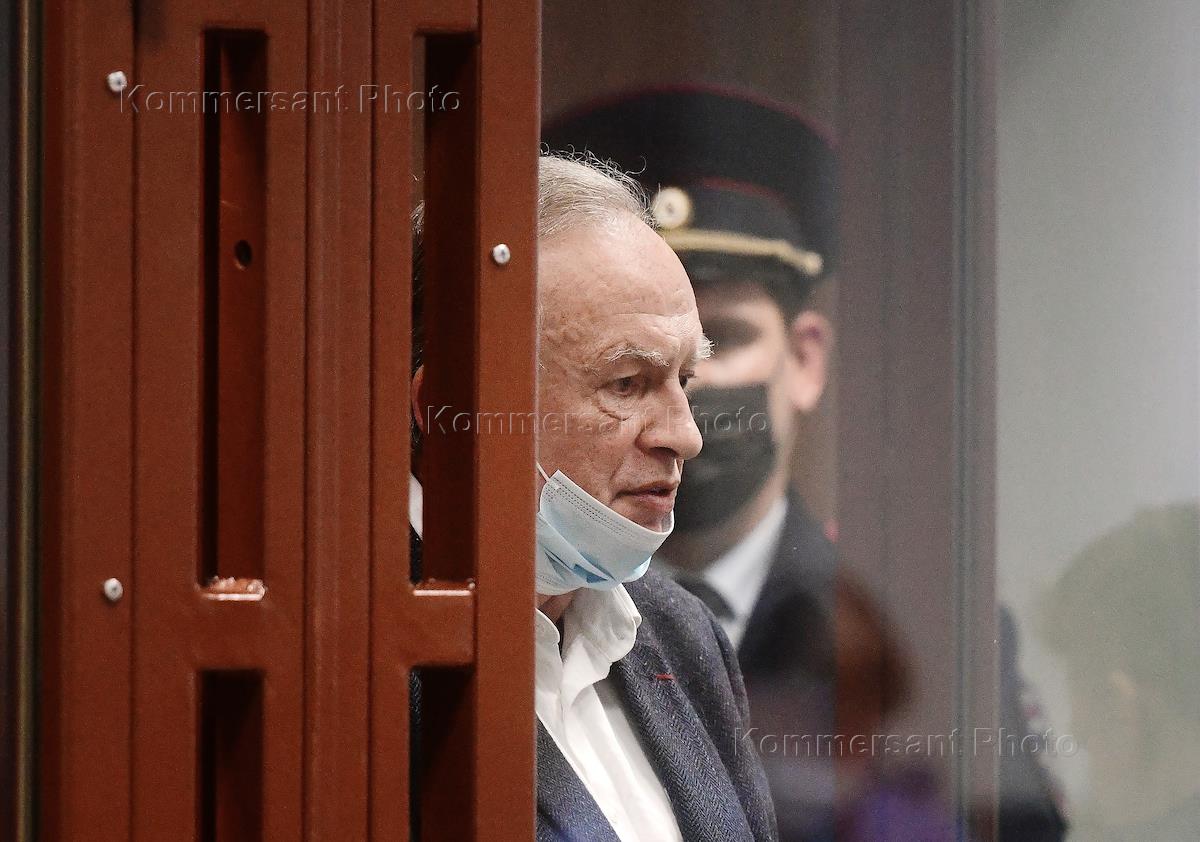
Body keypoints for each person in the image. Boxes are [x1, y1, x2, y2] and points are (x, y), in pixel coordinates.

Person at [409, 153, 778, 841]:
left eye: (684, 382)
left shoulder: (681, 634)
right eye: (627, 384)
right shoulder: (349, 658)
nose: (686, 436)